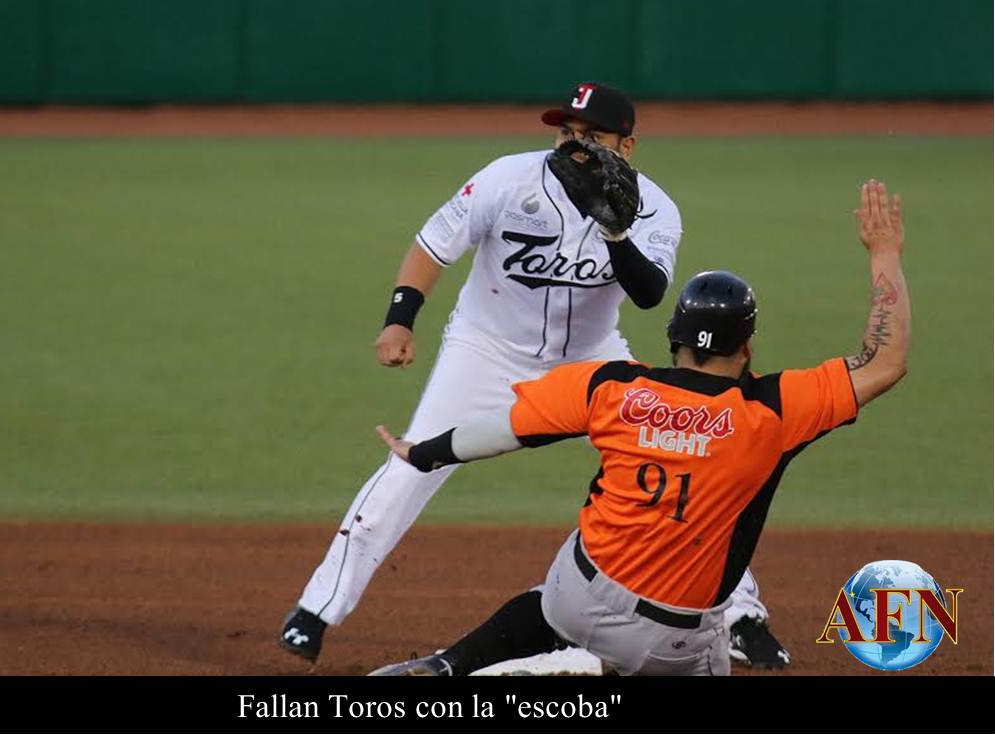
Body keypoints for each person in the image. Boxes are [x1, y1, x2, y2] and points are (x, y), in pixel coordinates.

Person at [280, 82, 788, 671]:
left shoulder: (654, 207)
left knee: (690, 456)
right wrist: (400, 320)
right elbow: (433, 245)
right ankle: (316, 610)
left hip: (592, 357)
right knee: (412, 463)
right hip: (485, 348)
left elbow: (649, 293)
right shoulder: (507, 179)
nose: (575, 145)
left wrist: (613, 227)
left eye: (592, 136)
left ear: (626, 146)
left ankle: (741, 616)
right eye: (567, 132)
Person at [367, 179, 910, 676]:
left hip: (579, 593)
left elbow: (506, 431)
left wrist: (424, 453)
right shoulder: (774, 410)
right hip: (672, 640)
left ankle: (452, 665)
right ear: (746, 348)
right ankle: (557, 669)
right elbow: (885, 363)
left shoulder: (612, 385)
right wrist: (883, 251)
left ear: (674, 337)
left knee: (551, 600)